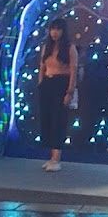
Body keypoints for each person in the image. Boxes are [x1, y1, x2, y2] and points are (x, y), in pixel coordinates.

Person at [38, 17, 77, 172]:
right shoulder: (46, 47)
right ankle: (51, 156)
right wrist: (40, 83)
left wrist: (69, 91)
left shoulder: (69, 48)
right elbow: (41, 67)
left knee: (58, 119)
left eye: (58, 29)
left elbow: (73, 70)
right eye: (52, 29)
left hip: (61, 84)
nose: (55, 33)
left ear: (63, 31)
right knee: (47, 119)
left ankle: (57, 158)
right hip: (47, 83)